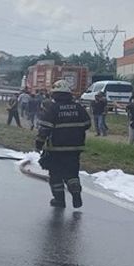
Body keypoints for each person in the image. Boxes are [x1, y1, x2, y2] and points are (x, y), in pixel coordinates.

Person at [35, 79, 90, 208]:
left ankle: (59, 200)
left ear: (55, 94)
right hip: (75, 148)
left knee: (55, 174)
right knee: (72, 173)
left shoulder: (53, 109)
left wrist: (39, 143)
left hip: (56, 149)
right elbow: (87, 124)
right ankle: (76, 195)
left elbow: (45, 129)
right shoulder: (79, 108)